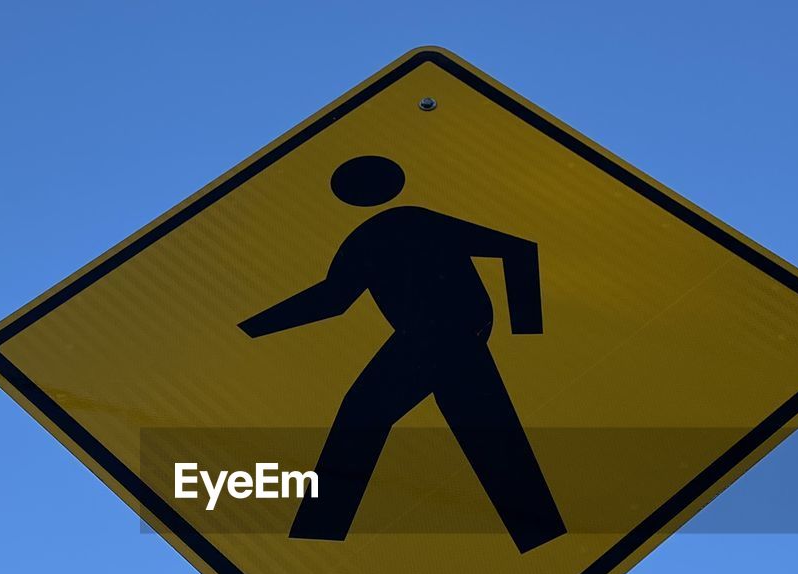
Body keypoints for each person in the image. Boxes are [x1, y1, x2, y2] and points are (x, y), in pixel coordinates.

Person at [239, 155, 565, 553]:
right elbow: (332, 299)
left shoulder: (412, 220)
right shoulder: (365, 239)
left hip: (451, 331)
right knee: (476, 424)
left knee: (372, 413)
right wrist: (250, 329)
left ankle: (317, 536)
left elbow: (517, 251)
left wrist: (528, 332)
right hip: (430, 336)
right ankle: (544, 539)